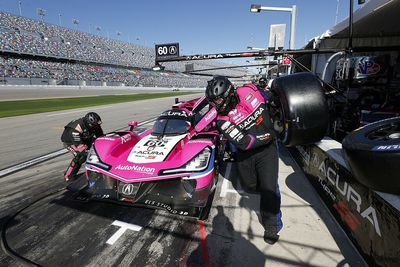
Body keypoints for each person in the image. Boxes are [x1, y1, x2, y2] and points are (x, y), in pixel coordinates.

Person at [205, 76, 282, 244]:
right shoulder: (221, 121)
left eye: (217, 100)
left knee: (269, 187)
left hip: (268, 151)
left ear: (230, 93)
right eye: (212, 102)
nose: (215, 105)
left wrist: (277, 114)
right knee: (250, 186)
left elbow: (274, 98)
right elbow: (246, 143)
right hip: (246, 153)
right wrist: (271, 134)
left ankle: (272, 225)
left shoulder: (249, 90)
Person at [61, 112, 104, 181]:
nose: (97, 126)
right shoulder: (76, 129)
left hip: (85, 138)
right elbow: (80, 147)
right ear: (89, 124)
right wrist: (89, 152)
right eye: (95, 125)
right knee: (81, 156)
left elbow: (101, 137)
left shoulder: (95, 124)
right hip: (70, 141)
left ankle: (101, 170)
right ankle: (68, 176)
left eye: (97, 125)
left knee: (100, 148)